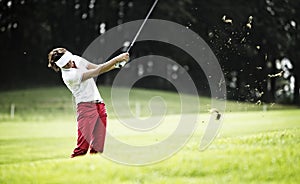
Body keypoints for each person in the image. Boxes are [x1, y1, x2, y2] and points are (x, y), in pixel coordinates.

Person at [47, 48, 129, 158]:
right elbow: (96, 72)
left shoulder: (75, 59)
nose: (69, 64)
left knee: (98, 146)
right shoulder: (69, 76)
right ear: (60, 66)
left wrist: (116, 65)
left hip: (99, 105)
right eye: (65, 64)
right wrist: (117, 59)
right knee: (82, 148)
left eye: (69, 60)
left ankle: (93, 169)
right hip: (86, 107)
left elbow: (97, 67)